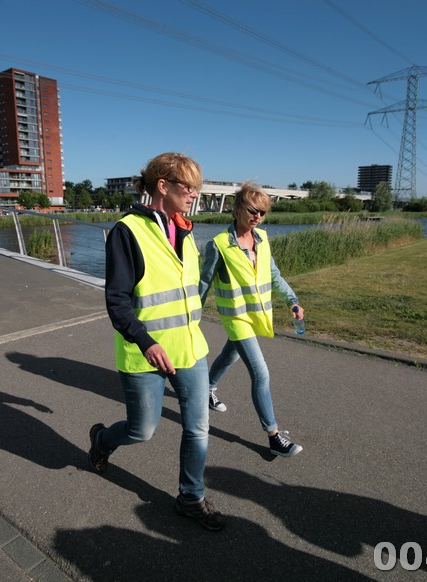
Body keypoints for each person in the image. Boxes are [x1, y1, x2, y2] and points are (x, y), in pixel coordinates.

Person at [88, 152, 224, 531]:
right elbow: (117, 300)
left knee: (198, 427)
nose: (194, 194)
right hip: (143, 353)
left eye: (197, 188)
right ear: (163, 186)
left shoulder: (186, 231)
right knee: (142, 430)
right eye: (189, 187)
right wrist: (146, 342)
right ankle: (102, 441)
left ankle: (190, 498)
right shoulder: (127, 231)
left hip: (190, 350)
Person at [199, 181, 305, 458]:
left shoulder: (263, 240)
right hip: (236, 317)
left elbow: (274, 274)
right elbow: (204, 283)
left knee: (230, 355)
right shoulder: (219, 244)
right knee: (260, 372)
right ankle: (273, 436)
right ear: (237, 209)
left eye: (263, 212)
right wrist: (191, 319)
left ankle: (206, 388)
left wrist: (292, 300)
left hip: (255, 314)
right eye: (252, 210)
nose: (258, 216)